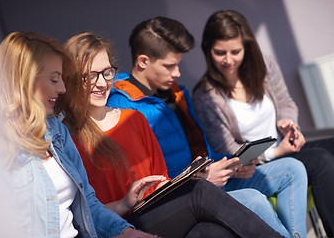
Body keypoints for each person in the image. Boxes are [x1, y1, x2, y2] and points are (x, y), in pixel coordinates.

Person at [55, 31, 286, 238]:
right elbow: (84, 212)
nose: (102, 82)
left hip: (160, 212)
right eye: (90, 75)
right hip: (121, 225)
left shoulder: (134, 119)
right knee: (201, 192)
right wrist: (124, 203)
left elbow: (160, 181)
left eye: (107, 73)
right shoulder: (65, 137)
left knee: (209, 231)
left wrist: (185, 178)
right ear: (73, 78)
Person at [107, 16, 308, 237]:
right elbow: (142, 180)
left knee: (292, 169)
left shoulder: (176, 94)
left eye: (178, 64)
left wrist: (231, 163)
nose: (177, 73)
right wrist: (197, 179)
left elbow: (201, 151)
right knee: (255, 200)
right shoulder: (124, 108)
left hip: (206, 180)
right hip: (182, 193)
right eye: (170, 66)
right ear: (143, 61)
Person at [0, 31, 157, 238]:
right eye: (54, 79)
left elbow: (89, 206)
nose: (62, 88)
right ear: (24, 81)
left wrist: (129, 234)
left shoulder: (56, 131)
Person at [192, 9, 334, 238]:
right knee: (321, 161)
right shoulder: (205, 96)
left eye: (235, 52)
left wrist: (290, 124)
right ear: (208, 49)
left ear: (246, 47)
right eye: (220, 53)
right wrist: (276, 152)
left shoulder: (264, 66)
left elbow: (286, 103)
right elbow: (228, 149)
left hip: (284, 147)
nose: (228, 60)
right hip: (256, 166)